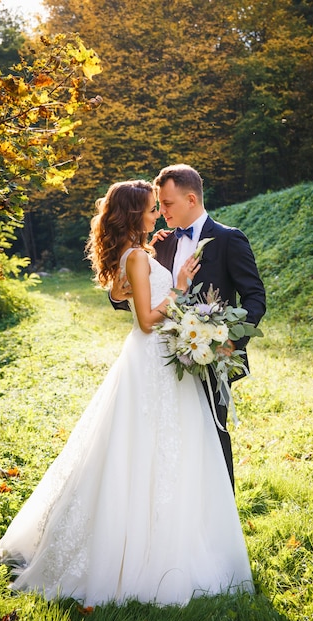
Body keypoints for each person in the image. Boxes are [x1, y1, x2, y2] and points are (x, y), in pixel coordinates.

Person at [0, 179, 254, 607]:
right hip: (151, 355)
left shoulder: (139, 252)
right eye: (152, 209)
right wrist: (182, 287)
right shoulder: (135, 255)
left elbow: (120, 292)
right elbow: (147, 321)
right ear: (137, 214)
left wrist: (152, 269)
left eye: (160, 207)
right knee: (147, 445)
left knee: (168, 443)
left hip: (159, 359)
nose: (157, 215)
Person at [111, 164, 266, 489]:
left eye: (166, 203)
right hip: (163, 358)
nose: (160, 209)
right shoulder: (161, 243)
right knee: (168, 441)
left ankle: (222, 520)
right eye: (157, 205)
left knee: (212, 437)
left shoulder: (228, 239)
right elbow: (139, 294)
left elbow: (255, 297)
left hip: (212, 356)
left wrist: (231, 343)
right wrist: (114, 293)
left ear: (191, 199)